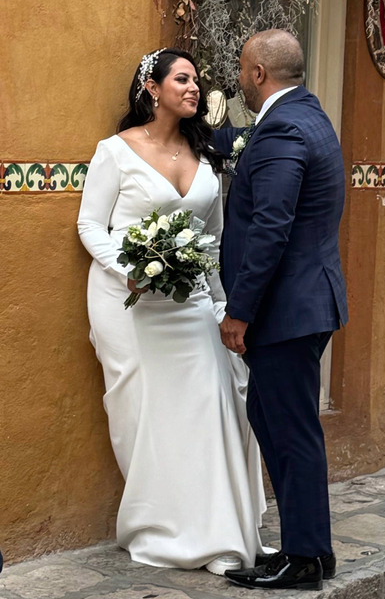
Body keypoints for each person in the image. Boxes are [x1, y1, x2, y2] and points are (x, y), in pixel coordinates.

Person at [77, 48, 268, 575]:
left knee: (213, 404)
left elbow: (214, 239)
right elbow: (91, 225)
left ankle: (219, 534)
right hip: (128, 303)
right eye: (182, 79)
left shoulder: (205, 154)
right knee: (145, 415)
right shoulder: (114, 152)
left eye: (196, 80)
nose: (194, 88)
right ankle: (158, 527)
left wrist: (222, 307)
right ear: (152, 89)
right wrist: (131, 269)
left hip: (192, 305)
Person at [211, 29, 348, 591]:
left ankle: (307, 559)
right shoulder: (308, 116)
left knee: (289, 430)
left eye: (243, 69)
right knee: (273, 418)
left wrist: (238, 311)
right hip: (305, 303)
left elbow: (271, 225)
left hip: (286, 311)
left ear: (260, 74)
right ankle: (307, 547)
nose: (239, 78)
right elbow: (252, 150)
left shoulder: (282, 130)